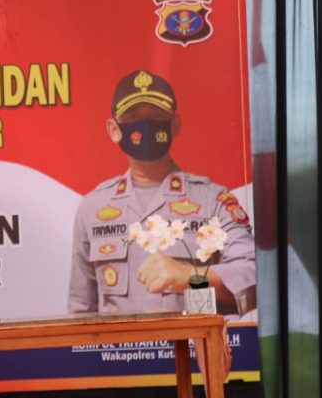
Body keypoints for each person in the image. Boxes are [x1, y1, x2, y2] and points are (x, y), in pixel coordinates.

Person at [68, 70, 255, 319]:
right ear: (114, 129)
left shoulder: (213, 201)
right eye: (133, 117)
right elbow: (80, 313)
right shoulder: (93, 208)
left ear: (174, 125)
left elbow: (255, 275)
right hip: (119, 345)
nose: (145, 125)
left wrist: (192, 277)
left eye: (156, 116)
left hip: (191, 343)